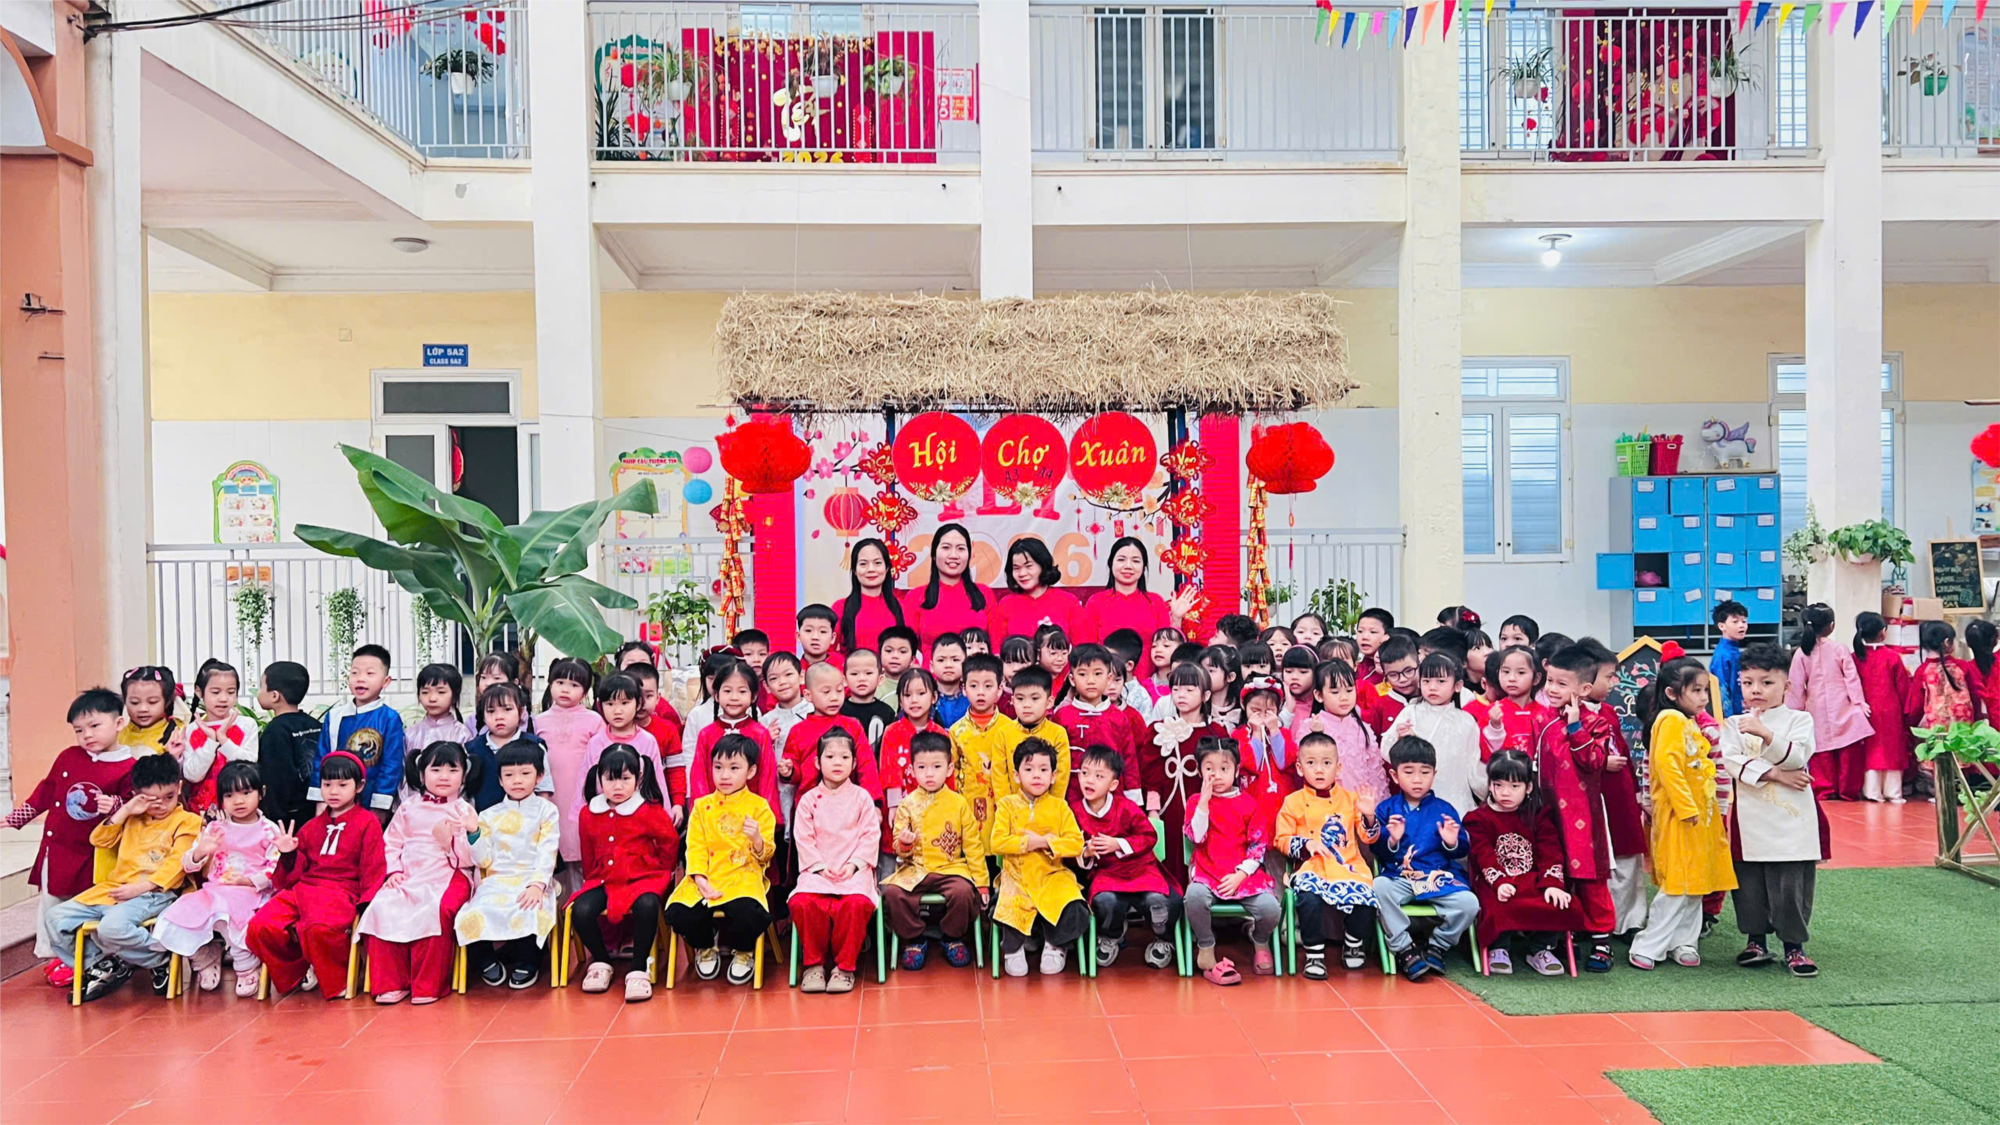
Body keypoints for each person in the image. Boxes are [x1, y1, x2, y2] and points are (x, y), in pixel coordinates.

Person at [44, 752, 201, 1001]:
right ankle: (101, 966)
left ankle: (160, 958)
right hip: (113, 890)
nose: (162, 805)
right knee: (54, 918)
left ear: (179, 787)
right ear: (137, 794)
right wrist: (126, 810)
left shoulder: (188, 821)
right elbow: (99, 840)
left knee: (111, 928)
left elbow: (177, 865)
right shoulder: (132, 817)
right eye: (152, 800)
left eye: (169, 797)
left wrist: (140, 888)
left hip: (155, 892)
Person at [7, 689, 137, 989]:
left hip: (94, 854)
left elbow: (135, 805)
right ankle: (63, 956)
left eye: (94, 726)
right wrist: (18, 817)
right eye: (79, 730)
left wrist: (116, 804)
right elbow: (47, 790)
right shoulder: (69, 756)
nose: (86, 735)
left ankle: (96, 959)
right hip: (58, 848)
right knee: (52, 903)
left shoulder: (128, 767)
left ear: (118, 723)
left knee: (86, 905)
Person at [246, 750, 387, 999]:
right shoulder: (311, 827)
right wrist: (288, 855)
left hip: (342, 892)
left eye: (342, 785)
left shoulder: (368, 822)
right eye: (327, 784)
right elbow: (290, 877)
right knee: (261, 925)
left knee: (318, 928)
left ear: (359, 786)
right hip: (303, 889)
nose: (333, 791)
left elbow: (372, 866)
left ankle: (336, 978)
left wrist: (366, 904)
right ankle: (301, 966)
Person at [1720, 643, 1823, 978]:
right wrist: (1776, 775)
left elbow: (1798, 757)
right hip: (1750, 817)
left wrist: (1765, 733)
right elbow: (1731, 761)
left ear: (1786, 686)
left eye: (1766, 682)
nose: (1757, 690)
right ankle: (1756, 940)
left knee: (1790, 883)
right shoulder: (1733, 723)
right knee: (1749, 882)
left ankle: (1794, 945)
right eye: (1748, 682)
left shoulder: (1800, 719)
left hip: (1791, 819)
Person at [1629, 657, 1737, 970]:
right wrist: (1687, 807)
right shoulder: (1670, 720)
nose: (1704, 697)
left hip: (1701, 817)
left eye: (1705, 690)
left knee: (1697, 882)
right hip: (1680, 817)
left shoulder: (1687, 721)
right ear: (1672, 693)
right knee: (1678, 883)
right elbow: (1668, 767)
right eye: (1696, 690)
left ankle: (1684, 941)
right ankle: (1649, 944)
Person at [355, 742, 478, 1005]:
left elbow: (470, 858)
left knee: (437, 909)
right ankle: (391, 983)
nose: (444, 776)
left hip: (449, 873)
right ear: (421, 775)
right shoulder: (408, 807)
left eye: (452, 770)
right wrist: (394, 871)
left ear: (464, 775)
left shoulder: (465, 810)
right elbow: (391, 843)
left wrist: (451, 842)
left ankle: (428, 985)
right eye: (436, 769)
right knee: (382, 906)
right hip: (409, 873)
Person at [151, 761, 283, 997]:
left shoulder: (268, 830)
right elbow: (188, 864)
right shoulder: (214, 829)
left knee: (226, 915)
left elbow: (276, 869)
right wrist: (200, 852)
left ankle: (246, 965)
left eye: (246, 793)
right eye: (229, 795)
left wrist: (249, 881)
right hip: (214, 891)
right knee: (176, 916)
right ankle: (204, 957)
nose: (238, 801)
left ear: (261, 792)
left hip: (250, 892)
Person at [1535, 642, 1621, 971]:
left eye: (1561, 683)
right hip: (1547, 813)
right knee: (1555, 874)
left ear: (1584, 689)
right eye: (1550, 681)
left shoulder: (1595, 723)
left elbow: (1594, 761)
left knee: (1590, 879)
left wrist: (1575, 727)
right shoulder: (1543, 718)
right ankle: (1559, 936)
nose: (1552, 689)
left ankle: (1601, 943)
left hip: (1582, 815)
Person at [667, 734, 776, 987]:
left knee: (747, 910)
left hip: (743, 876)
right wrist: (700, 880)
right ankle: (706, 946)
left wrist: (757, 838)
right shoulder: (701, 806)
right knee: (678, 912)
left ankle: (744, 951)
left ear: (751, 771)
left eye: (734, 768)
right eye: (718, 767)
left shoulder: (759, 806)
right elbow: (695, 847)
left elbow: (767, 855)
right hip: (706, 875)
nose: (725, 775)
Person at [573, 747, 679, 1000]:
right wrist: (590, 878)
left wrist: (662, 871)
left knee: (647, 906)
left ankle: (639, 967)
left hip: (644, 877)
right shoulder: (588, 813)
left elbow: (670, 842)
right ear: (599, 778)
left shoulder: (649, 809)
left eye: (625, 778)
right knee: (581, 910)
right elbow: (587, 851)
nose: (617, 786)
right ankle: (601, 961)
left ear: (638, 778)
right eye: (610, 779)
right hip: (603, 878)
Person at [1370, 735, 1477, 983]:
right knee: (1379, 887)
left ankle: (1437, 946)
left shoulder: (1444, 809)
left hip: (1437, 878)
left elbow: (1461, 850)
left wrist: (1452, 842)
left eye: (1424, 772)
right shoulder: (1386, 809)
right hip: (1400, 877)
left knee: (1469, 903)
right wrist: (1392, 839)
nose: (1417, 779)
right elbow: (1377, 850)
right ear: (1395, 775)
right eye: (1409, 772)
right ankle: (1404, 948)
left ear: (1434, 774)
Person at [456, 740, 560, 989]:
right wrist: (473, 833)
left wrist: (537, 885)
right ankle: (485, 961)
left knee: (530, 907)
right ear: (500, 780)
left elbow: (547, 851)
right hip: (496, 880)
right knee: (474, 911)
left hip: (533, 877)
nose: (517, 781)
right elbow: (483, 860)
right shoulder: (488, 815)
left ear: (539, 776)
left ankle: (529, 961)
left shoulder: (547, 811)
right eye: (509, 775)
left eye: (525, 773)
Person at [1463, 750, 1576, 976]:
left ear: (1528, 787)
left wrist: (1552, 883)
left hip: (1534, 879)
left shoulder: (1539, 815)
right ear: (1490, 785)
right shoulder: (1479, 818)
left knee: (1557, 901)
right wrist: (1500, 882)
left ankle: (1541, 949)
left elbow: (1551, 851)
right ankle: (1499, 947)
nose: (1505, 792)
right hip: (1495, 880)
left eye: (1514, 786)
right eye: (1498, 785)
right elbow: (1483, 854)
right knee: (1498, 901)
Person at [1278, 731, 1381, 978]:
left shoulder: (1351, 799)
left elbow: (1369, 838)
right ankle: (1314, 954)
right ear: (1300, 768)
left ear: (1338, 767)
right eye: (1311, 763)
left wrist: (1369, 815)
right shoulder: (1292, 802)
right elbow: (1281, 839)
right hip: (1312, 868)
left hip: (1348, 866)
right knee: (1309, 899)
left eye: (1326, 763)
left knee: (1366, 897)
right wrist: (1307, 844)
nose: (1319, 770)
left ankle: (1353, 943)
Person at [882, 732, 985, 970]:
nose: (929, 774)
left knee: (963, 892)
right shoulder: (907, 804)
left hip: (951, 868)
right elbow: (898, 845)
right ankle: (915, 939)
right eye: (922, 767)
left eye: (936, 767)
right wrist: (904, 844)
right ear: (912, 770)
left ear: (949, 769)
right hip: (916, 869)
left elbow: (973, 846)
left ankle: (952, 937)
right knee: (894, 893)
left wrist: (982, 883)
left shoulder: (958, 803)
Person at [789, 729, 881, 994]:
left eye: (844, 757)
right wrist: (820, 867)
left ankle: (844, 967)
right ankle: (814, 965)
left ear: (854, 763)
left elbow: (870, 835)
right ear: (818, 763)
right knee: (803, 902)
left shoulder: (862, 797)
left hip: (854, 870)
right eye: (830, 757)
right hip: (817, 869)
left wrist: (853, 865)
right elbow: (803, 838)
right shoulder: (808, 800)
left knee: (856, 903)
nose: (837, 762)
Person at [1182, 738, 1281, 982]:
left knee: (1270, 908)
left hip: (1243, 875)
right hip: (1208, 871)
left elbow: (1258, 845)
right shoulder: (1195, 802)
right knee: (1194, 897)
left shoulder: (1249, 804)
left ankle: (1260, 940)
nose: (1216, 775)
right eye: (1209, 768)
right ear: (1199, 771)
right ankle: (1206, 944)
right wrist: (1203, 803)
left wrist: (1241, 874)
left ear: (1236, 771)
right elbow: (1196, 837)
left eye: (1224, 769)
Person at [1070, 746, 1178, 971]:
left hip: (1140, 869)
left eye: (1099, 776)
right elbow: (1068, 848)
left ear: (1113, 784)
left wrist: (1117, 844)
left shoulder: (1126, 807)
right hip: (1106, 873)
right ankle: (1112, 934)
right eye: (1085, 773)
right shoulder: (1074, 811)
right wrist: (1085, 852)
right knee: (1104, 901)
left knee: (1158, 902)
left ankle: (1163, 938)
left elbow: (1149, 836)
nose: (1089, 780)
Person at [991, 737, 1088, 977]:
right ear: (1016, 775)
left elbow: (1076, 843)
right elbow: (998, 842)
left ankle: (1055, 946)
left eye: (1043, 770)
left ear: (1053, 776)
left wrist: (1045, 842)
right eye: (1029, 769)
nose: (1037, 776)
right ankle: (1013, 950)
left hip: (1052, 874)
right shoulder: (1006, 805)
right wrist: (1028, 843)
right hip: (1017, 875)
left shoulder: (1060, 807)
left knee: (1074, 905)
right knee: (1007, 902)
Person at [1786, 602, 1873, 802]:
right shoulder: (1839, 649)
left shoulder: (1801, 653)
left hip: (1815, 707)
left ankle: (1824, 789)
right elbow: (1851, 678)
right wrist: (1859, 702)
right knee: (1848, 750)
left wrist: (1793, 711)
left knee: (1820, 751)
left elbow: (1796, 686)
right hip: (1843, 704)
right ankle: (1847, 791)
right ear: (1831, 626)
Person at [1149, 661, 1225, 885]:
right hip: (1168, 811)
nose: (1181, 695)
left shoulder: (1216, 733)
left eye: (1190, 690)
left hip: (1206, 810)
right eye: (1176, 689)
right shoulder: (1158, 730)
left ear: (1205, 695)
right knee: (1168, 861)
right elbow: (1151, 774)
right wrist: (1153, 810)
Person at [311, 645, 406, 823]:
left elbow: (392, 764)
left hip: (371, 800)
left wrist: (380, 806)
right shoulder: (335, 716)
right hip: (337, 799)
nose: (360, 679)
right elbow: (321, 758)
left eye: (370, 673)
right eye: (355, 673)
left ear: (386, 682)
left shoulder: (390, 718)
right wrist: (320, 799)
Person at [1383, 653, 1483, 815]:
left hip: (1455, 796)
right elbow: (1387, 750)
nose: (1432, 687)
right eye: (1426, 681)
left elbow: (1473, 764)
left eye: (1441, 681)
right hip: (1416, 795)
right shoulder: (1410, 713)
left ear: (1458, 685)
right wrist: (1401, 741)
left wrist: (1488, 793)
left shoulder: (1466, 721)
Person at [951, 653, 1026, 851]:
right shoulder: (956, 731)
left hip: (1003, 806)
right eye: (974, 686)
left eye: (988, 686)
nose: (980, 693)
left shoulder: (1010, 728)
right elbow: (953, 771)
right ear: (964, 688)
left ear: (1000, 689)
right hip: (967, 805)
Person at [539, 657, 608, 872]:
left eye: (574, 685)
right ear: (550, 684)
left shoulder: (594, 720)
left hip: (582, 794)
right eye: (560, 682)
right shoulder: (538, 721)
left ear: (585, 691)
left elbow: (601, 761)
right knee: (551, 852)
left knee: (581, 850)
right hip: (550, 795)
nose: (565, 689)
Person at [695, 659, 781, 826]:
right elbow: (699, 777)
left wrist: (768, 820)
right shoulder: (706, 734)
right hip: (713, 817)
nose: (734, 697)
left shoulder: (760, 734)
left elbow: (767, 778)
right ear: (716, 695)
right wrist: (700, 816)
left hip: (750, 818)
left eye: (742, 691)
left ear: (753, 696)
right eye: (727, 691)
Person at [1297, 659, 1389, 812]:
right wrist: (1317, 735)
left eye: (1349, 690)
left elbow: (1376, 773)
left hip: (1364, 807)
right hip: (1328, 809)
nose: (1344, 697)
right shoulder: (1310, 727)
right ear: (1319, 695)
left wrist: (1378, 807)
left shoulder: (1363, 728)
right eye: (1335, 692)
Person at [781, 662, 880, 802]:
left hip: (848, 802)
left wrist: (874, 802)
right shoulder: (798, 731)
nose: (834, 697)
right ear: (808, 695)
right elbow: (794, 772)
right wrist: (789, 772)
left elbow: (866, 766)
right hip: (810, 804)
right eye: (826, 692)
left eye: (839, 691)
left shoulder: (853, 726)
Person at [1056, 644, 1143, 801]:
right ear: (1072, 679)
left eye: (1097, 674)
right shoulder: (1062, 717)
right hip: (1071, 799)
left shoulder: (1119, 718)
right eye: (1082, 674)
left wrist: (1133, 799)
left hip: (1112, 799)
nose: (1090, 681)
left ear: (1108, 678)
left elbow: (1129, 760)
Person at [1075, 536, 1197, 644]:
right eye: (1121, 559)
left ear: (1143, 567)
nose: (1128, 566)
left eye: (1136, 561)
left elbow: (1167, 647)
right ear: (1111, 563)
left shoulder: (1155, 601)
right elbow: (1087, 648)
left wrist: (1176, 618)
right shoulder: (1096, 602)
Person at [879, 668, 950, 851]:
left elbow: (947, 774)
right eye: (907, 695)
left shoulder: (941, 734)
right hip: (901, 806)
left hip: (934, 806)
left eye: (921, 693)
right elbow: (889, 770)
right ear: (900, 701)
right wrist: (894, 806)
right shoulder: (892, 732)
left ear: (934, 697)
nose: (914, 700)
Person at [1852, 612, 1915, 804]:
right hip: (1891, 710)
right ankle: (1893, 792)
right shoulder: (1893, 657)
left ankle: (1872, 791)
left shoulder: (1855, 658)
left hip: (1864, 710)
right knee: (1892, 750)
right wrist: (1907, 711)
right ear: (1883, 632)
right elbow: (1903, 688)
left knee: (1870, 750)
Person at [182, 659, 258, 814]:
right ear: (199, 692)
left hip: (239, 810)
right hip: (201, 813)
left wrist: (223, 739)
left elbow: (249, 766)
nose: (223, 698)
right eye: (216, 692)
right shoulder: (191, 730)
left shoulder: (246, 725)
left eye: (231, 692)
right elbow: (192, 775)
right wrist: (211, 741)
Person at [256, 662, 321, 827]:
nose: (259, 692)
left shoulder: (275, 731)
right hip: (317, 808)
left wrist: (275, 818)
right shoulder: (314, 724)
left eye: (261, 687)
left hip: (289, 819)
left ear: (274, 696)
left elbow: (277, 779)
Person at [466, 684, 548, 812]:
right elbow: (466, 793)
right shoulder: (472, 749)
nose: (499, 716)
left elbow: (544, 789)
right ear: (483, 716)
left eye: (507, 709)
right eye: (491, 711)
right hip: (483, 820)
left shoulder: (534, 745)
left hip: (527, 819)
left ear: (521, 712)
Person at [586, 672, 667, 799]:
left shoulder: (648, 741)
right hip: (603, 808)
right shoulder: (595, 743)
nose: (617, 711)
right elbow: (585, 784)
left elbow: (658, 783)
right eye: (610, 704)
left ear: (638, 703)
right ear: (600, 705)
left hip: (640, 809)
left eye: (624, 703)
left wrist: (662, 810)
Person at [912, 524, 992, 654]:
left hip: (975, 666)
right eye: (946, 547)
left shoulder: (985, 593)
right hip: (931, 667)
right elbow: (907, 647)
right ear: (933, 554)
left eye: (961, 548)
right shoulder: (916, 596)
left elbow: (996, 647)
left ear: (970, 554)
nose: (953, 555)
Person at [1236, 677, 1299, 837]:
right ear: (1244, 706)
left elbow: (1283, 762)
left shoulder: (1283, 733)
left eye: (1269, 711)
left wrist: (1274, 731)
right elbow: (1253, 765)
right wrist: (1257, 733)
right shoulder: (1239, 735)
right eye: (1255, 710)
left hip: (1280, 797)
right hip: (1254, 796)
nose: (1263, 716)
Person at [990, 537, 1081, 643]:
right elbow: (996, 648)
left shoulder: (1068, 601)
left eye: (1028, 566)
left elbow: (1083, 648)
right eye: (1016, 568)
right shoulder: (1006, 604)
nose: (1022, 573)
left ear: (1043, 565)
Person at [1469, 646, 1552, 761]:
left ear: (1536, 678)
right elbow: (1482, 755)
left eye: (1521, 672)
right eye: (1506, 672)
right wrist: (1495, 727)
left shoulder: (1545, 714)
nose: (1511, 678)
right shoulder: (1492, 712)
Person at [1007, 666, 1073, 800]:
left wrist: (1052, 806)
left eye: (1035, 698)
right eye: (1020, 699)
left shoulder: (1058, 734)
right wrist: (1007, 806)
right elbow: (999, 777)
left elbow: (1061, 776)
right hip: (1011, 808)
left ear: (1049, 702)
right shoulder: (1004, 732)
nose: (1027, 705)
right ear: (1012, 701)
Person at [625, 662, 686, 805]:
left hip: (658, 802)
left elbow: (676, 769)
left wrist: (678, 803)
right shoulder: (616, 730)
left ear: (658, 698)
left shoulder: (668, 729)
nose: (642, 702)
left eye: (649, 696)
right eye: (636, 695)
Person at [837, 537, 909, 656]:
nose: (871, 569)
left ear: (887, 568)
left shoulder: (902, 607)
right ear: (854, 570)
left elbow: (909, 650)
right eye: (863, 564)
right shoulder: (840, 607)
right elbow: (829, 652)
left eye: (877, 563)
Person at [1909, 619, 1984, 731]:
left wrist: (1911, 727)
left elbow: (1916, 706)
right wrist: (1978, 720)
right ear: (1947, 642)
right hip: (1964, 728)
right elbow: (1975, 696)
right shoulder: (1963, 666)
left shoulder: (1922, 671)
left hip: (1936, 730)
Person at [410, 663, 476, 751]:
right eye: (425, 692)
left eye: (441, 692)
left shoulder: (462, 734)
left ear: (455, 696)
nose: (432, 698)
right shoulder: (411, 733)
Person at [839, 649, 897, 747]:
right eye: (854, 674)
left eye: (868, 673)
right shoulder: (839, 710)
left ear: (880, 679)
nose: (861, 679)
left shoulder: (887, 712)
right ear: (844, 680)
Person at [118, 665, 179, 756]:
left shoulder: (176, 736)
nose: (143, 709)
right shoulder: (116, 736)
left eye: (152, 702)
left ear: (167, 702)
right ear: (124, 701)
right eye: (135, 702)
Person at [1709, 600, 1751, 718]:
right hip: (1731, 715)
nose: (1742, 625)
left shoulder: (1733, 650)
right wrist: (1728, 717)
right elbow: (1721, 688)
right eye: (1735, 621)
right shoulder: (1723, 654)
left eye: (1744, 621)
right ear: (1722, 626)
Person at [930, 633, 971, 728]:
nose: (948, 665)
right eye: (941, 660)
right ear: (932, 666)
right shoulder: (924, 696)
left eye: (955, 660)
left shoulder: (972, 696)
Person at [876, 626, 921, 705]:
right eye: (889, 650)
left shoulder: (920, 685)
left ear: (912, 659)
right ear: (880, 655)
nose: (895, 656)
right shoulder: (872, 684)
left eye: (902, 651)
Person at [1353, 608, 1395, 690]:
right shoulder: (1353, 669)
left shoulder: (1393, 673)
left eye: (1373, 632)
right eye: (1360, 631)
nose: (1364, 637)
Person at [1143, 627, 1186, 703]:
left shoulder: (1186, 684)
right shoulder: (1146, 685)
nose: (1158, 650)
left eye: (1166, 645)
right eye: (1154, 646)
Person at [796, 603, 843, 671]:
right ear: (798, 636)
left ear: (833, 638)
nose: (815, 637)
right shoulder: (794, 671)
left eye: (823, 631)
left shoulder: (843, 668)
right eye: (808, 630)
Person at [1034, 624, 1074, 702]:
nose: (1060, 658)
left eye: (1064, 653)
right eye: (1053, 653)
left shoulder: (1071, 673)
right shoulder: (1030, 678)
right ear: (1038, 653)